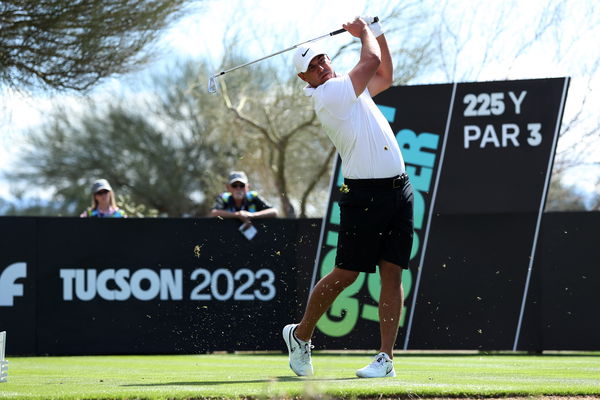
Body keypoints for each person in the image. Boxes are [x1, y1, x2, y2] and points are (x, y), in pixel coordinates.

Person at [282, 17, 413, 378]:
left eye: (322, 59)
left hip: (399, 190)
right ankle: (300, 334)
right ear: (303, 80)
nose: (321, 67)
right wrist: (364, 33)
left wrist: (381, 30)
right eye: (312, 67)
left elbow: (384, 75)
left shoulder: (349, 88)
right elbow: (369, 62)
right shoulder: (328, 95)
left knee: (392, 272)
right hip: (365, 195)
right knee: (347, 274)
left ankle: (385, 358)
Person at [210, 171, 278, 223]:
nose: (238, 188)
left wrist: (251, 215)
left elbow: (274, 212)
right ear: (228, 188)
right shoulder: (223, 198)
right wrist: (238, 215)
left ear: (248, 187)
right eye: (234, 185)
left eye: (242, 185)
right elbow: (214, 213)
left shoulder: (253, 197)